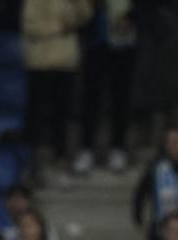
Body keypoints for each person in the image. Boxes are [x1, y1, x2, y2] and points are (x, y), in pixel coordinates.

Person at [22, 0, 93, 179]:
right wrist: (58, 27)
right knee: (36, 115)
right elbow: (30, 25)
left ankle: (61, 164)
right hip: (40, 63)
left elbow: (85, 15)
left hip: (65, 63)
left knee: (62, 115)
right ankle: (32, 164)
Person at [72, 0, 136, 174]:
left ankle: (118, 148)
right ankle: (86, 149)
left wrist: (131, 17)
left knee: (120, 98)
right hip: (95, 42)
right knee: (90, 98)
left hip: (123, 43)